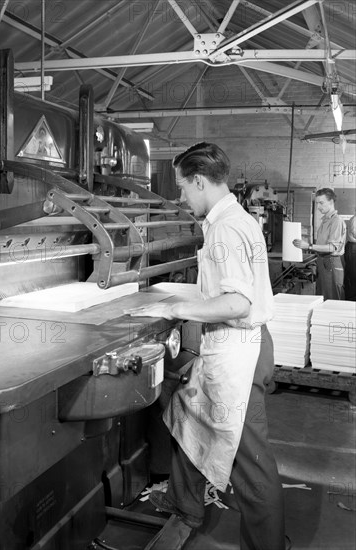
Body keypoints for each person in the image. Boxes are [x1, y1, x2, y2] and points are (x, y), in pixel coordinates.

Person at [128, 142, 287, 550]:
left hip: (240, 353)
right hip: (236, 346)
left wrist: (181, 307)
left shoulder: (226, 227)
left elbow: (238, 302)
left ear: (199, 181)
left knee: (250, 461)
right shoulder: (233, 218)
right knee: (187, 416)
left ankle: (267, 544)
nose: (182, 196)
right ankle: (186, 504)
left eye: (183, 187)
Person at [293, 188, 346, 300]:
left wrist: (309, 246)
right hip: (323, 262)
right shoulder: (325, 220)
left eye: (321, 203)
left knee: (332, 299)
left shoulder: (336, 221)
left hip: (331, 263)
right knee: (322, 297)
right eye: (317, 203)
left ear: (331, 202)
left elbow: (332, 247)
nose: (318, 207)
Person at [344, 211, 356, 301]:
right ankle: (351, 299)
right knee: (353, 275)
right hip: (353, 248)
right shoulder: (354, 219)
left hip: (353, 248)